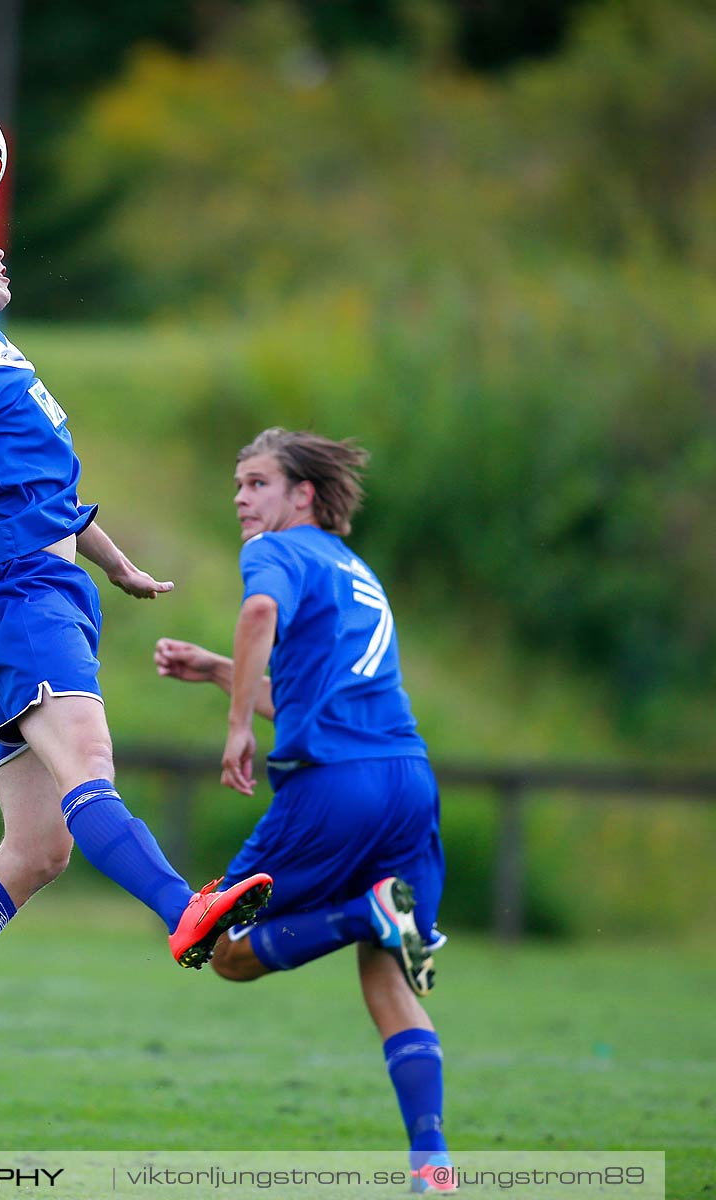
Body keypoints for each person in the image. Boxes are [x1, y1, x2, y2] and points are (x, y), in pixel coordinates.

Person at [0, 188, 273, 1131]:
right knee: (92, 768)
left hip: (47, 590)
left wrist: (115, 566)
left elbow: (45, 490)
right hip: (17, 598)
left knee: (38, 849)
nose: (0, 252)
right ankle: (181, 910)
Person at [153, 428, 454, 1193]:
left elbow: (259, 615)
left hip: (336, 787)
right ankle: (433, 1165)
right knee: (390, 981)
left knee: (221, 949)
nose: (242, 500)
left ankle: (364, 914)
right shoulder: (355, 571)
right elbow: (314, 698)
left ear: (302, 495)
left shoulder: (278, 553)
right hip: (408, 782)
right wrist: (223, 676)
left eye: (257, 483)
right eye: (238, 485)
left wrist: (235, 730)